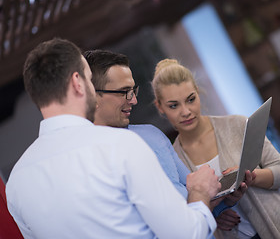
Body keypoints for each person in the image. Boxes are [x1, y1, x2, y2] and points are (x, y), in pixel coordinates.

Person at [5, 38, 222, 239]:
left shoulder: (16, 184)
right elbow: (187, 234)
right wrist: (200, 192)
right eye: (90, 79)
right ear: (78, 83)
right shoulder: (119, 145)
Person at [83, 49, 252, 235]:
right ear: (94, 95)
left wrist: (225, 197)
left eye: (133, 91)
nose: (134, 100)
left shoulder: (151, 134)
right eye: (124, 92)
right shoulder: (94, 162)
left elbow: (194, 194)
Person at [151, 58, 280, 239]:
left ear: (198, 92)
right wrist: (213, 214)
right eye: (174, 105)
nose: (186, 111)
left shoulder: (237, 125)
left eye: (190, 100)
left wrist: (251, 177)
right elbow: (186, 217)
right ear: (160, 107)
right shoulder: (172, 161)